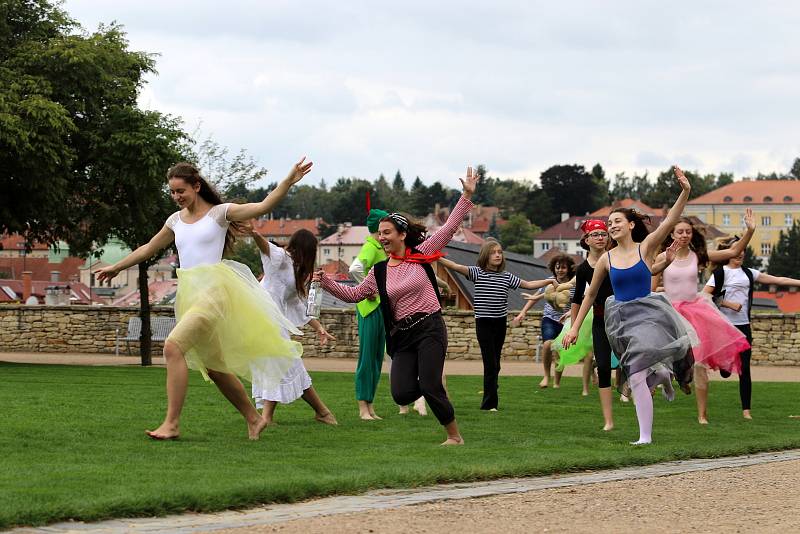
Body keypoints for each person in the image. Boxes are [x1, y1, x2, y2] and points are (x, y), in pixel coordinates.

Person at [96, 158, 312, 440]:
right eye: (172, 192)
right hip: (191, 294)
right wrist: (116, 266)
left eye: (181, 191)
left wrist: (287, 181)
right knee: (214, 366)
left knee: (173, 347)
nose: (176, 197)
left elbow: (262, 206)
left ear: (196, 186)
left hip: (215, 293)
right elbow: (149, 247)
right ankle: (254, 418)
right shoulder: (174, 221)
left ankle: (171, 424)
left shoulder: (220, 214)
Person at [314, 166, 479, 445]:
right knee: (401, 394)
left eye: (387, 232)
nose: (382, 237)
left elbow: (449, 227)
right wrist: (326, 282)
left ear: (402, 234)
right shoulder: (378, 271)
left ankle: (454, 436)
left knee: (430, 385)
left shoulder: (422, 253)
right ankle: (429, 390)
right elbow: (355, 295)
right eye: (380, 233)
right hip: (402, 336)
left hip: (429, 328)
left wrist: (466, 194)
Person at [564, 165, 696, 445]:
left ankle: (651, 413)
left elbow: (670, 220)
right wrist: (574, 328)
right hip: (620, 319)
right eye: (609, 223)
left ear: (631, 225)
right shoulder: (606, 259)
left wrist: (685, 191)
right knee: (635, 377)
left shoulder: (645, 247)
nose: (611, 226)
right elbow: (589, 295)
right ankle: (656, 386)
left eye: (617, 221)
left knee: (639, 367)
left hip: (649, 314)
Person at [652, 212, 755, 424]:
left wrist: (750, 231)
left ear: (692, 234)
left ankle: (702, 415)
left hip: (695, 311)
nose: (684, 235)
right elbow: (651, 287)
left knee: (699, 364)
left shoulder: (698, 255)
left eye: (687, 232)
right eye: (679, 231)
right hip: (670, 312)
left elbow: (734, 250)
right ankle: (673, 379)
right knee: (662, 360)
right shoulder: (663, 257)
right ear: (672, 234)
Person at [439, 240, 554, 411]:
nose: (498, 255)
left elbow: (529, 285)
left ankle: (491, 390)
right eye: (493, 252)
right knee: (490, 364)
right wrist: (435, 257)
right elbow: (455, 266)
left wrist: (549, 281)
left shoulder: (507, 276)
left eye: (500, 252)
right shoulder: (477, 273)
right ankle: (489, 404)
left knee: (496, 363)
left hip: (500, 323)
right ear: (486, 255)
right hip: (483, 322)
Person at [247, 226, 338, 426]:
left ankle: (267, 418)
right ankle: (321, 411)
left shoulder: (297, 270)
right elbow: (267, 247)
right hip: (262, 318)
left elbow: (297, 304)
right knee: (288, 363)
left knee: (277, 365)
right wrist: (254, 233)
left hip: (271, 321)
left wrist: (318, 327)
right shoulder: (281, 259)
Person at [703, 238, 800, 420]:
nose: (740, 254)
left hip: (744, 326)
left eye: (743, 251)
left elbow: (778, 280)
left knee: (745, 369)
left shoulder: (749, 273)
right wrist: (728, 304)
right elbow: (704, 295)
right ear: (730, 251)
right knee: (725, 372)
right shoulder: (720, 273)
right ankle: (725, 365)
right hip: (724, 326)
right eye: (737, 250)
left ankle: (746, 411)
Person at [349, 208, 390, 420]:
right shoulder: (371, 247)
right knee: (367, 358)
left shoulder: (380, 249)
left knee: (375, 359)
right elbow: (355, 269)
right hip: (369, 309)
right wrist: (368, 291)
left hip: (380, 309)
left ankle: (370, 406)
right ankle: (362, 408)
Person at [515, 254, 576, 389]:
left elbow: (579, 303)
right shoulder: (549, 281)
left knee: (560, 351)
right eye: (557, 267)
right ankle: (546, 376)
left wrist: (571, 315)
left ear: (569, 269)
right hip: (549, 319)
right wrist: (522, 312)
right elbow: (535, 297)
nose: (560, 270)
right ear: (553, 268)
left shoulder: (573, 284)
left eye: (563, 267)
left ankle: (557, 382)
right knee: (548, 345)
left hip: (565, 322)